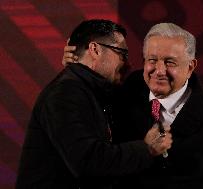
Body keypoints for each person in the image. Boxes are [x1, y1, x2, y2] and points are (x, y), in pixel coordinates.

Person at [63, 22, 203, 188]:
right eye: (152, 60)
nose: (159, 71)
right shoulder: (125, 91)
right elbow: (87, 102)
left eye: (170, 62)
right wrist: (79, 67)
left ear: (190, 67)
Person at [15, 19, 172, 189]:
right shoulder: (65, 93)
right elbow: (87, 160)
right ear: (95, 50)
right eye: (122, 54)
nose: (128, 63)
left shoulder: (93, 91)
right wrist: (146, 149)